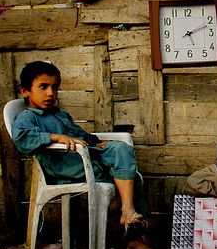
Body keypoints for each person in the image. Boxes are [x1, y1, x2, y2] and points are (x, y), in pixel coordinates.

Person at [11, 60, 145, 233]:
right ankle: (128, 218)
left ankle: (131, 220)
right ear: (25, 91)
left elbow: (78, 134)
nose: (51, 93)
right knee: (125, 167)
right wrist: (55, 137)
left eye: (55, 87)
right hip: (66, 169)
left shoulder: (59, 114)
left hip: (86, 161)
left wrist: (96, 142)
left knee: (124, 154)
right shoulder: (28, 117)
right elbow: (22, 139)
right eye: (43, 87)